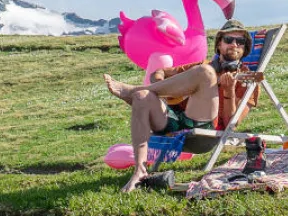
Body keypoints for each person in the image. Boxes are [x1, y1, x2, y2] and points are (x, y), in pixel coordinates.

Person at [104, 23, 263, 193]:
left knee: (205, 73)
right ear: (219, 44)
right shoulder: (201, 65)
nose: (234, 44)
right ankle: (139, 172)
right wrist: (162, 84)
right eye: (229, 39)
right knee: (141, 98)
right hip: (176, 122)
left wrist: (229, 91)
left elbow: (233, 123)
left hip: (205, 133)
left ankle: (132, 90)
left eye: (240, 41)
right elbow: (160, 72)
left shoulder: (247, 81)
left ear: (245, 49)